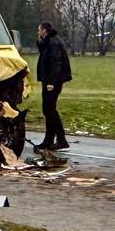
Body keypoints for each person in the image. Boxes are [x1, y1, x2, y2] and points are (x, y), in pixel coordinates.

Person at [34, 21, 72, 152]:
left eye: (39, 30)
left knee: (49, 110)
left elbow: (56, 64)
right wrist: (39, 41)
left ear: (44, 30)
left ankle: (61, 139)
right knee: (48, 109)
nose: (38, 32)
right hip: (49, 81)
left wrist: (51, 82)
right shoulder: (49, 41)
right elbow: (44, 53)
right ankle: (48, 140)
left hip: (53, 82)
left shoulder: (54, 42)